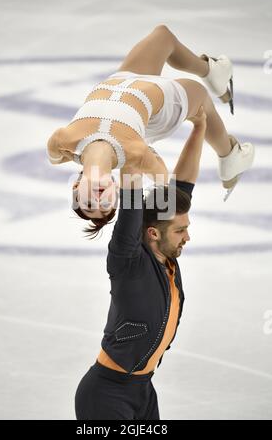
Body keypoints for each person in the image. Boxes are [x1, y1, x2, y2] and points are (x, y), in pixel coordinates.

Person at [46, 25, 254, 237]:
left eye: (89, 204)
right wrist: (150, 169)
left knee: (163, 36)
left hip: (123, 81)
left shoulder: (62, 141)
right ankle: (229, 156)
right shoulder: (134, 155)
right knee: (200, 97)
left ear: (75, 189)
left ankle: (211, 71)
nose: (99, 199)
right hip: (161, 107)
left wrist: (73, 157)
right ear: (116, 190)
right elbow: (165, 183)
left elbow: (54, 157)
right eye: (107, 203)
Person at [74, 105, 207, 420]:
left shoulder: (168, 258)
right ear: (152, 233)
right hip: (107, 395)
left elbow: (184, 184)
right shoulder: (128, 260)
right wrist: (130, 142)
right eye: (180, 230)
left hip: (144, 392)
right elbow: (132, 202)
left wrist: (199, 128)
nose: (187, 237)